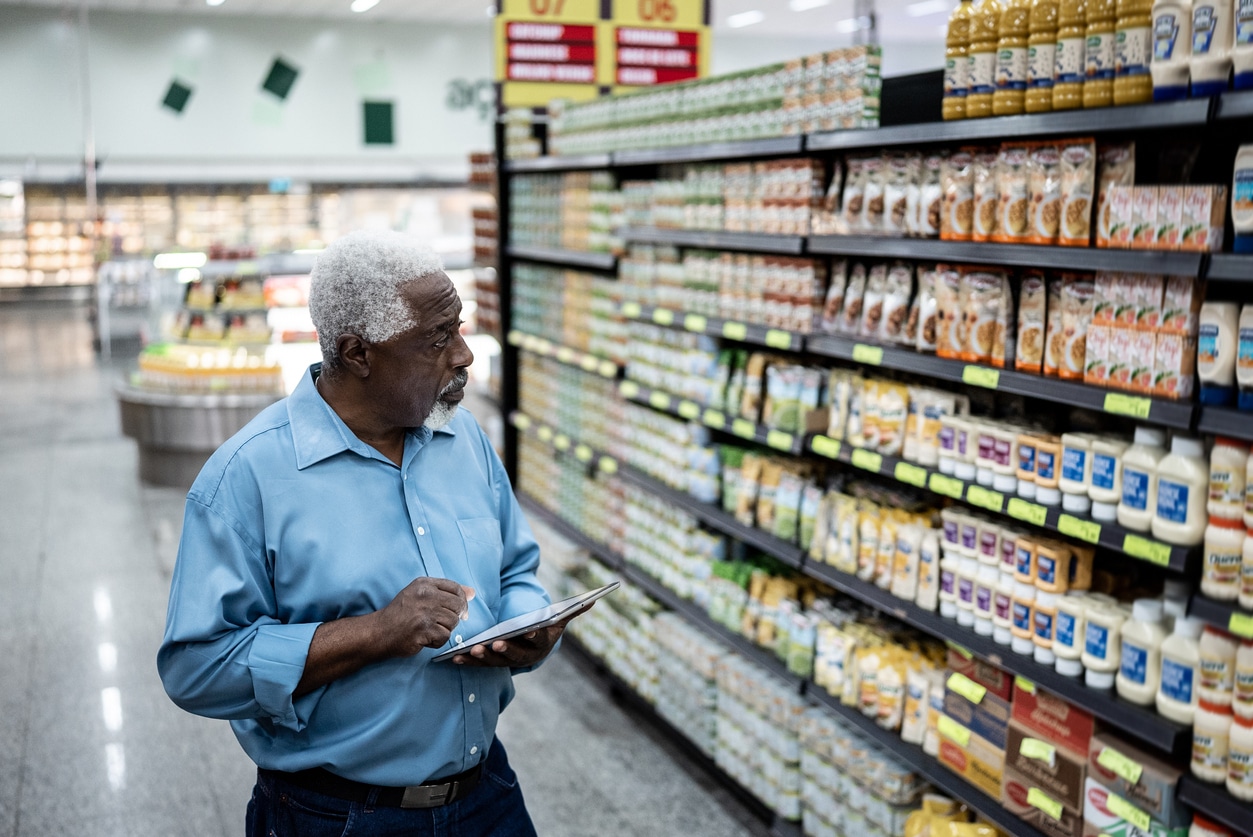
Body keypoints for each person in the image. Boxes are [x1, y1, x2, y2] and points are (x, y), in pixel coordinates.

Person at [157, 229, 569, 837]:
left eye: (459, 328)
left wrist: (527, 626)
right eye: (437, 338)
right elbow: (196, 669)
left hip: (488, 797)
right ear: (357, 353)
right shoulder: (249, 478)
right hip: (335, 816)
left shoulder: (463, 437)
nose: (463, 355)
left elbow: (514, 568)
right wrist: (375, 632)